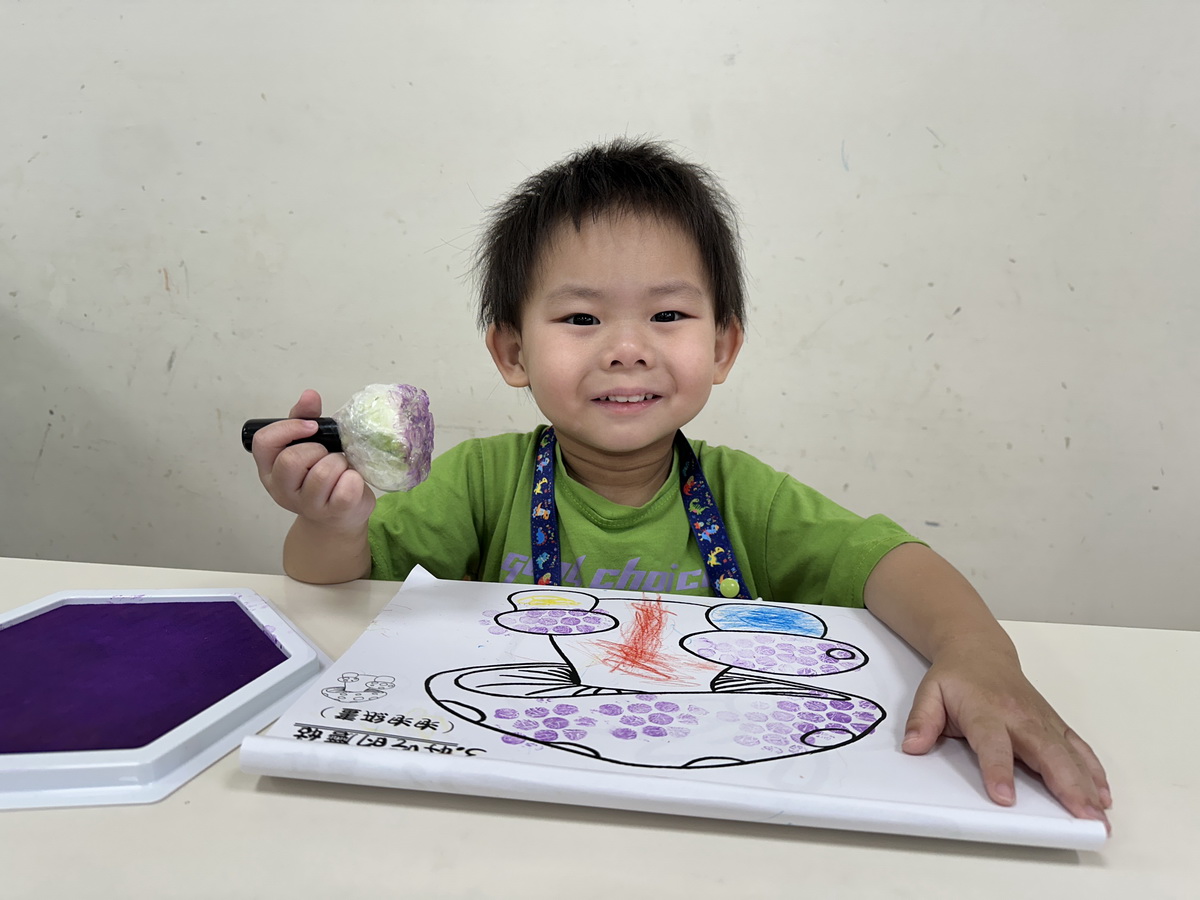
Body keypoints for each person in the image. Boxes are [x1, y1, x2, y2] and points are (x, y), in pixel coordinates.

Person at [251, 138, 1111, 830]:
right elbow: (337, 589)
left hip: (711, 811)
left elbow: (894, 563)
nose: (627, 348)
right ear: (512, 352)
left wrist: (976, 654)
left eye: (668, 315)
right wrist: (329, 521)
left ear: (723, 346)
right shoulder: (482, 480)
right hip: (514, 808)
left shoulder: (744, 496)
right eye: (581, 317)